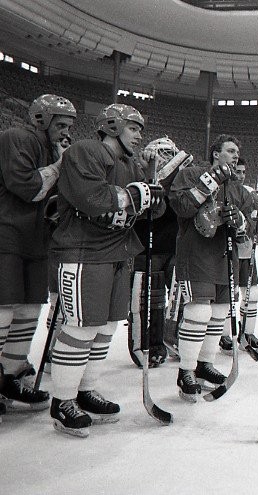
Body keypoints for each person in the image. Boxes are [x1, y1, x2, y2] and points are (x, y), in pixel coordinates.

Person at [49, 103, 165, 437]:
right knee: (82, 327)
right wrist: (134, 194)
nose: (140, 135)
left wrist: (152, 191)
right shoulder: (86, 151)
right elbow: (92, 198)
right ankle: (62, 401)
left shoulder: (130, 163)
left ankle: (85, 390)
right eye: (134, 128)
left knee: (107, 327)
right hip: (83, 250)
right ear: (112, 125)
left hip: (117, 250)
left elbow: (145, 210)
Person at [0, 94, 75, 418]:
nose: (65, 132)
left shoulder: (51, 149)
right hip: (7, 233)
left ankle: (9, 377)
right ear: (41, 120)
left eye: (69, 126)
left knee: (29, 310)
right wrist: (60, 167)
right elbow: (27, 187)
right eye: (60, 124)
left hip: (35, 239)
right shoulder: (17, 138)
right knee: (3, 309)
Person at [168, 134, 252, 402]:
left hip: (226, 256)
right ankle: (186, 371)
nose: (235, 155)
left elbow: (251, 225)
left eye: (237, 151)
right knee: (199, 311)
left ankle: (205, 363)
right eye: (230, 150)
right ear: (216, 153)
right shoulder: (192, 173)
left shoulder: (238, 187)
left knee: (218, 314)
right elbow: (180, 207)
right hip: (196, 254)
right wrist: (207, 185)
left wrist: (239, 221)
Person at [128, 137, 192, 369]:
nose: (168, 156)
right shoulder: (139, 173)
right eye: (163, 153)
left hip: (175, 247)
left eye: (170, 153)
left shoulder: (182, 176)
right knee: (149, 300)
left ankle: (173, 337)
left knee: (181, 296)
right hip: (147, 247)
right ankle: (147, 345)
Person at [219, 158, 258, 354]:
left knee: (252, 293)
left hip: (247, 251)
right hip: (228, 250)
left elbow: (256, 220)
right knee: (229, 294)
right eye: (237, 171)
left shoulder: (250, 191)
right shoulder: (223, 190)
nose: (240, 175)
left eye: (243, 171)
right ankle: (225, 334)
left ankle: (248, 332)